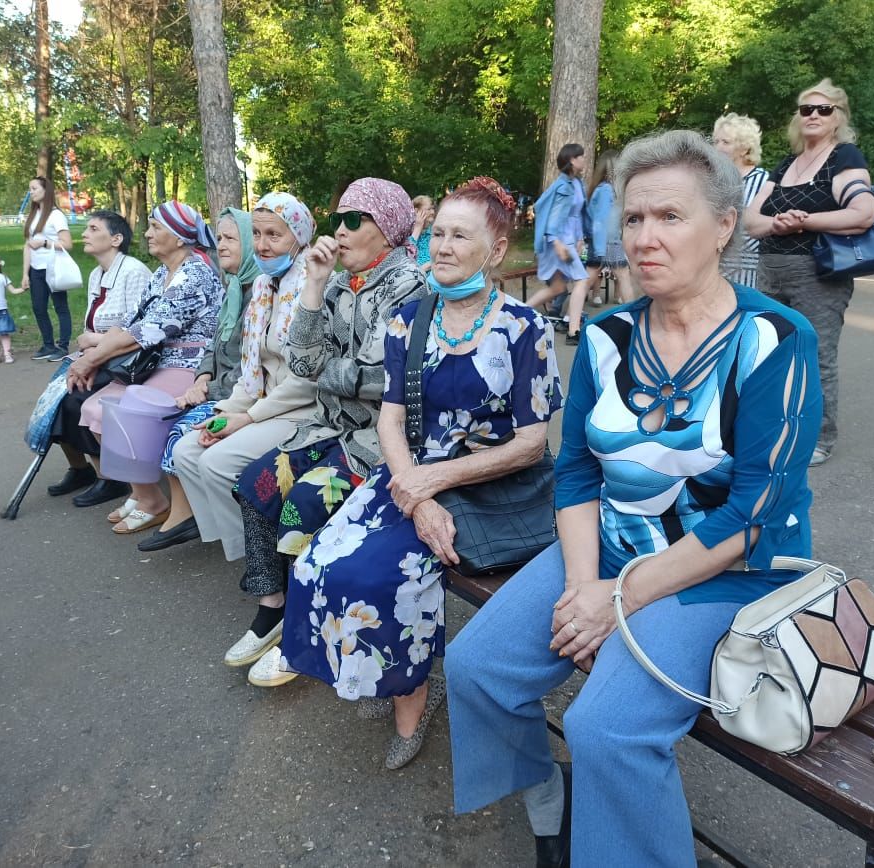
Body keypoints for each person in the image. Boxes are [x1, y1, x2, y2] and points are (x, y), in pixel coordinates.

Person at [443, 131, 822, 868]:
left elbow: (753, 515)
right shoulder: (607, 335)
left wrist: (616, 598)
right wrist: (586, 584)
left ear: (724, 227)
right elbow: (579, 472)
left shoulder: (777, 340)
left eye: (670, 218)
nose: (646, 238)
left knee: (607, 727)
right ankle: (548, 799)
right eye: (635, 219)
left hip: (725, 572)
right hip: (609, 543)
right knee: (476, 666)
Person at [247, 178, 564, 773]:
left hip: (489, 485)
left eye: (459, 236)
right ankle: (398, 675)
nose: (442, 246)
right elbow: (391, 419)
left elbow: (530, 444)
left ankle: (413, 697)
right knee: (319, 563)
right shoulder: (409, 320)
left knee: (382, 572)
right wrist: (416, 490)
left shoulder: (525, 328)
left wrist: (434, 484)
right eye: (438, 232)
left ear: (495, 252)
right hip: (409, 474)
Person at [224, 178, 428, 671]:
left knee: (303, 503)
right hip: (328, 427)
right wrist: (314, 285)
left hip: (377, 441)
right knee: (254, 485)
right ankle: (272, 609)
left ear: (388, 228)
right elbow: (299, 360)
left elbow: (383, 380)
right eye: (338, 218)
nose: (339, 230)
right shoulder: (338, 279)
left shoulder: (408, 286)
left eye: (353, 220)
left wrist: (327, 372)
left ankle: (304, 629)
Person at [170, 192, 319, 559]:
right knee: (186, 449)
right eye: (258, 234)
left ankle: (263, 560)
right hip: (263, 404)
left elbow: (307, 381)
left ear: (298, 238)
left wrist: (244, 418)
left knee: (217, 462)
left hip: (303, 410)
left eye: (274, 235)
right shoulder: (265, 288)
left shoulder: (314, 288)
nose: (263, 246)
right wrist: (224, 413)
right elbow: (251, 370)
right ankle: (243, 549)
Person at [62, 201, 224, 529]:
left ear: (179, 237)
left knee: (122, 412)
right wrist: (93, 353)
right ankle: (142, 492)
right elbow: (130, 322)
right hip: (155, 363)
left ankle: (153, 501)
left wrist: (92, 358)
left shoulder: (195, 273)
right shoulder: (164, 273)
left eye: (155, 227)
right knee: (93, 409)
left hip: (189, 366)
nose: (147, 234)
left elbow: (147, 332)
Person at [746, 78, 874, 466]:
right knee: (768, 353)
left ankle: (820, 438)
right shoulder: (787, 164)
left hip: (817, 274)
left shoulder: (845, 157)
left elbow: (863, 213)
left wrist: (805, 221)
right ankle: (773, 430)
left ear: (838, 118)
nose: (814, 115)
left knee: (816, 356)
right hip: (771, 270)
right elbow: (752, 221)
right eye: (807, 109)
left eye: (824, 109)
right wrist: (778, 224)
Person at [137, 207, 262, 552]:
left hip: (244, 396)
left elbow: (253, 364)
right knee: (177, 422)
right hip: (220, 387)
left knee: (182, 429)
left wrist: (209, 390)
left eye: (230, 239)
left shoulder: (260, 295)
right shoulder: (235, 287)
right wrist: (202, 376)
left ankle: (187, 514)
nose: (219, 245)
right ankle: (190, 514)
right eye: (218, 238)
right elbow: (213, 343)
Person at [43, 210, 153, 500]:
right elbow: (93, 322)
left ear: (115, 239)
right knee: (54, 398)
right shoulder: (96, 274)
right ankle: (80, 468)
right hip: (99, 355)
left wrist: (94, 342)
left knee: (75, 398)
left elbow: (141, 332)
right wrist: (88, 348)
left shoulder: (134, 272)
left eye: (93, 228)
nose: (85, 234)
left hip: (128, 362)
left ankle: (109, 476)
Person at [562, 149, 634, 345]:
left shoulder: (600, 189)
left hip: (602, 242)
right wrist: (603, 249)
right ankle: (634, 323)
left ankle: (571, 323)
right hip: (607, 243)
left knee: (584, 282)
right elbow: (602, 221)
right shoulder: (606, 191)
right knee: (623, 278)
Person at [526, 143, 590, 314]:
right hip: (561, 243)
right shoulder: (563, 186)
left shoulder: (577, 183)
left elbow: (578, 215)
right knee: (582, 280)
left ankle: (518, 313)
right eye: (581, 156)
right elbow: (555, 218)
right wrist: (557, 243)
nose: (585, 159)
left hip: (568, 241)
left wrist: (580, 238)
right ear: (572, 160)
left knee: (557, 287)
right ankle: (573, 329)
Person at [713, 112, 770, 290]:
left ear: (745, 148)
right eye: (716, 141)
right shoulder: (712, 180)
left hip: (751, 272)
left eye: (726, 142)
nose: (717, 147)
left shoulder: (764, 182)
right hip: (715, 267)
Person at [21, 176, 75, 362]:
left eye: (34, 188)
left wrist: (44, 242)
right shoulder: (33, 215)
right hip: (36, 269)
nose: (31, 192)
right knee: (38, 307)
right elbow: (27, 246)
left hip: (53, 268)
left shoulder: (56, 215)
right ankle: (48, 344)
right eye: (30, 188)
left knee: (60, 307)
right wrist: (25, 273)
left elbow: (67, 244)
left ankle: (63, 346)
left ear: (46, 191)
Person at [410, 195, 435, 270]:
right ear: (417, 211)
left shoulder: (434, 231)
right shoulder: (406, 232)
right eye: (429, 209)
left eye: (433, 208)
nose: (433, 212)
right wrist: (418, 227)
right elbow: (407, 254)